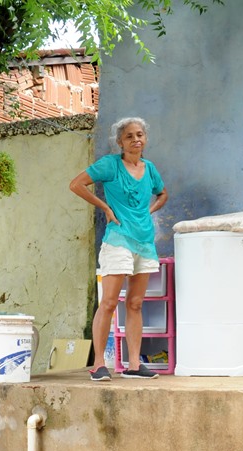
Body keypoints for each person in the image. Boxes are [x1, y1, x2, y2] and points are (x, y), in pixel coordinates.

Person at [69, 117, 169, 381]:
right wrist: (104, 207)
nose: (136, 139)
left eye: (140, 135)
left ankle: (134, 364)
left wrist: (150, 210)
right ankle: (99, 364)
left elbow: (163, 193)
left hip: (144, 242)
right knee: (110, 302)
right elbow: (76, 184)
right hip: (118, 240)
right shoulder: (110, 165)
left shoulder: (150, 169)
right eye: (129, 136)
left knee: (135, 304)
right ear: (120, 142)